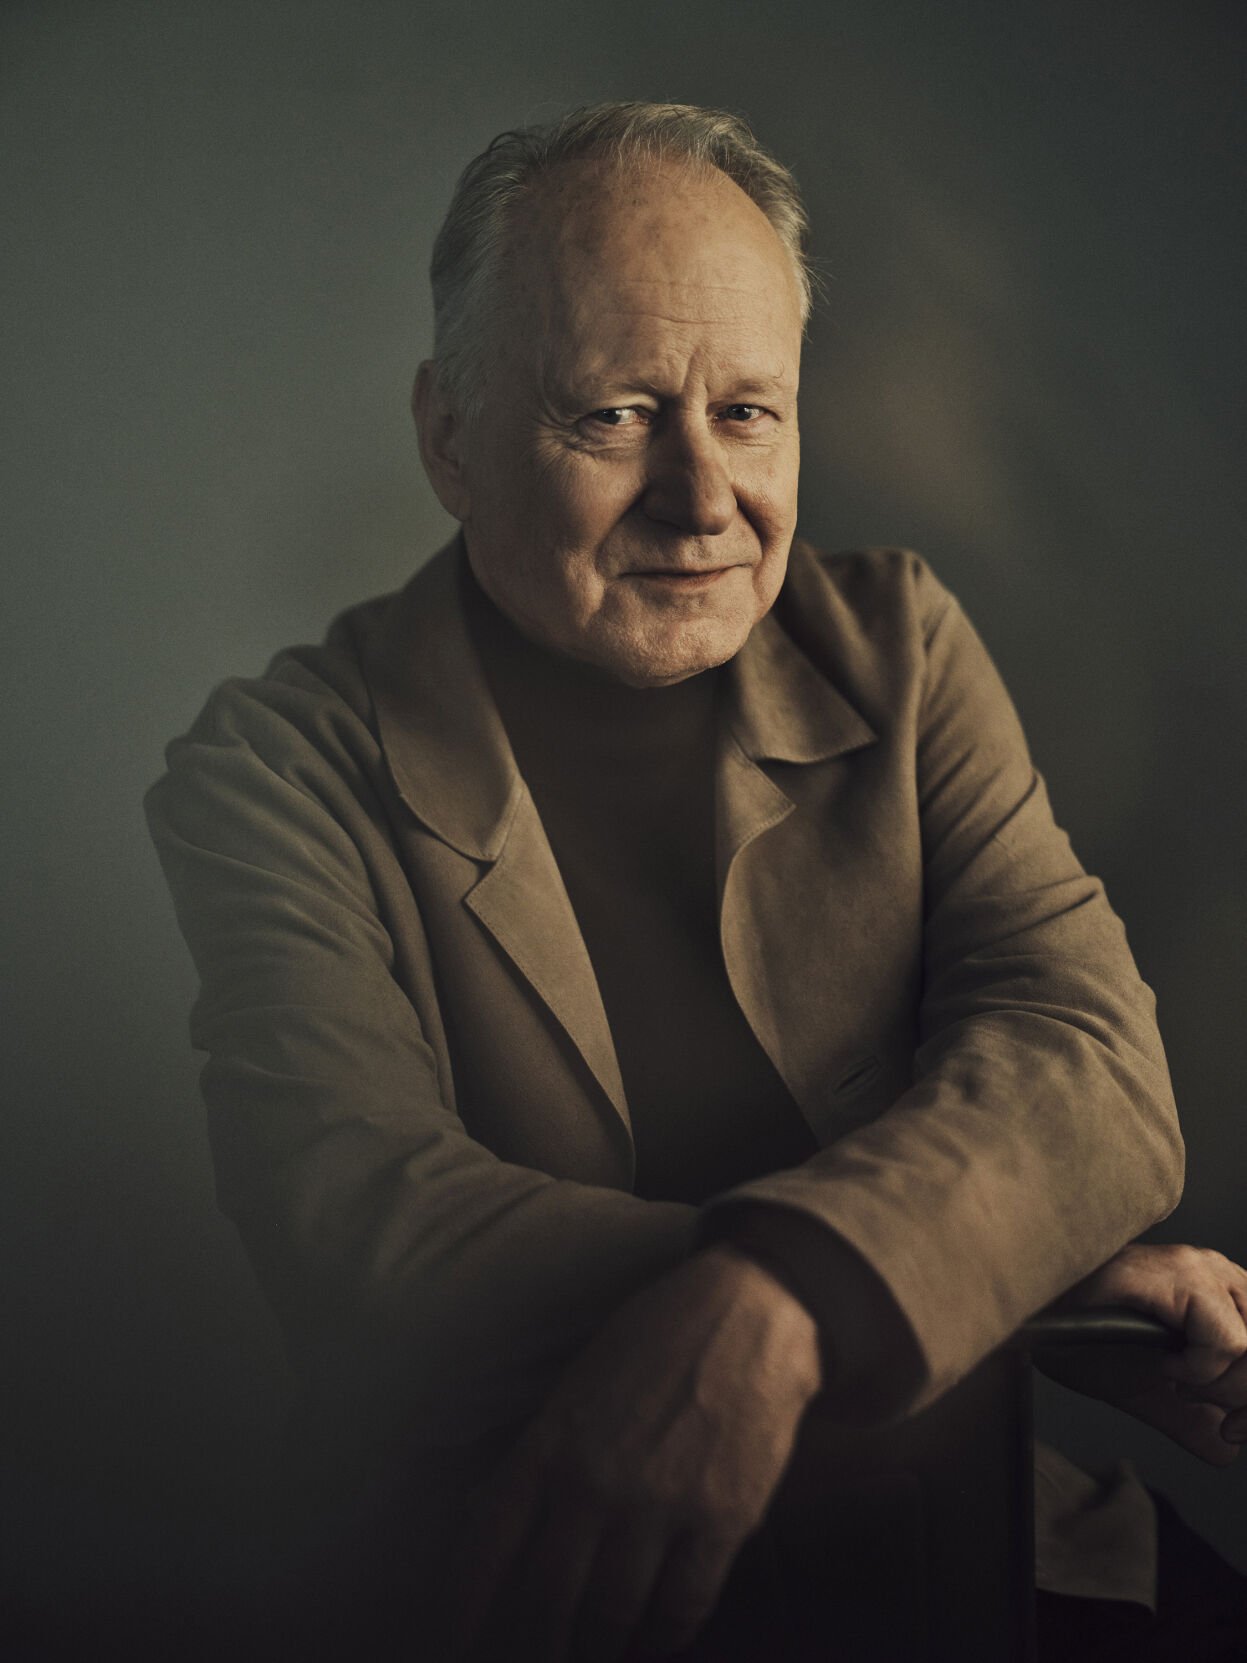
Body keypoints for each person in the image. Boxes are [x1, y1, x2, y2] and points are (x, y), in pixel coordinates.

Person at [145, 102, 1247, 1660]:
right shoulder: (275, 768)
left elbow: (1092, 1073)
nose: (703, 497)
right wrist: (971, 1281)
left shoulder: (905, 646)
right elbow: (369, 1228)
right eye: (617, 414)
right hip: (558, 1590)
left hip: (1000, 1551)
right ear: (450, 434)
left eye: (750, 414)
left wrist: (794, 1302)